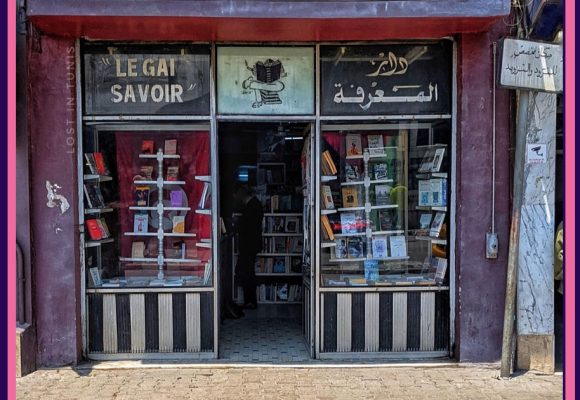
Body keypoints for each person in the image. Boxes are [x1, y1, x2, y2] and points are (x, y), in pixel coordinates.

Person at [233, 184, 264, 310]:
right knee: (247, 271)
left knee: (246, 272)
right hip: (251, 244)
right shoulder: (255, 204)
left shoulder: (252, 206)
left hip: (248, 245)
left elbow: (247, 225)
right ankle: (249, 301)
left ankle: (250, 301)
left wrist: (237, 223)